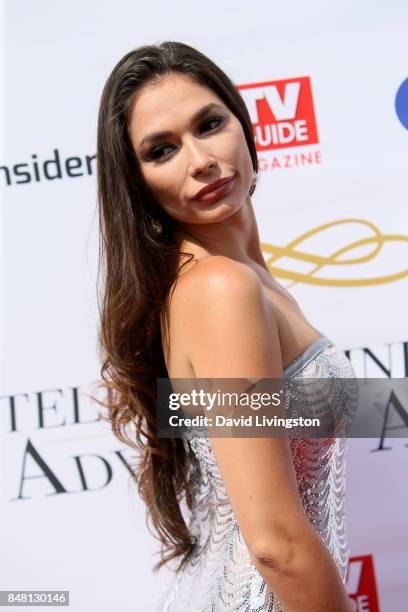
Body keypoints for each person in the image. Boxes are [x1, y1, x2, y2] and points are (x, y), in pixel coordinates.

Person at [95, 40, 355, 611]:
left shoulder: (246, 280)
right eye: (162, 151)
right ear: (136, 182)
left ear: (243, 122)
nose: (200, 160)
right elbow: (275, 545)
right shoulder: (220, 291)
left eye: (209, 124)